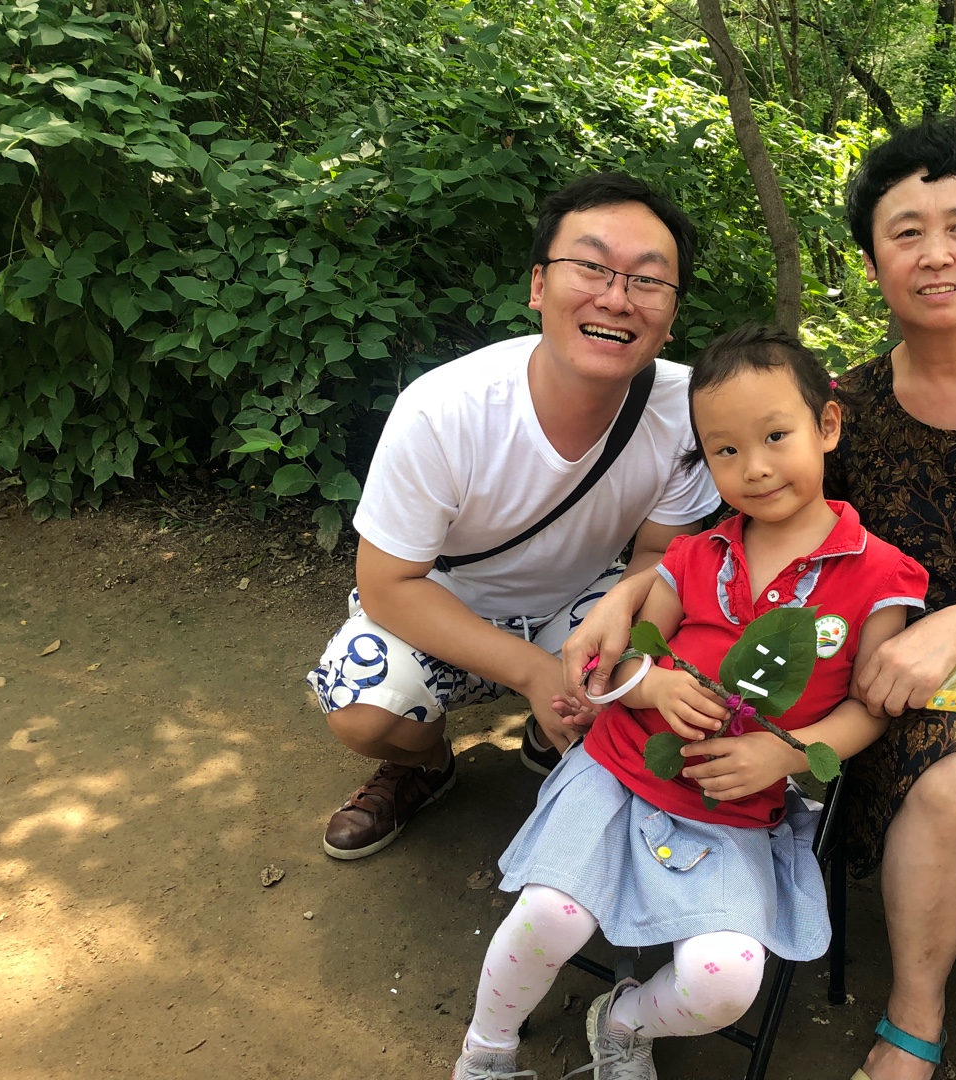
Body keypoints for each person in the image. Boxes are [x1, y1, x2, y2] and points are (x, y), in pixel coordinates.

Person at [562, 119, 956, 1080]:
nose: (935, 253)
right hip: (889, 677)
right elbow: (738, 526)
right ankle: (915, 1021)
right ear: (873, 260)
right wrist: (630, 595)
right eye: (906, 232)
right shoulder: (847, 405)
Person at [450, 324, 929, 1080]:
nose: (754, 467)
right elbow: (623, 658)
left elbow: (870, 707)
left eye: (776, 436)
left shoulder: (880, 576)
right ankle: (486, 1049)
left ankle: (623, 1021)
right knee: (549, 915)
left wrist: (785, 754)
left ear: (827, 426)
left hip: (730, 808)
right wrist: (654, 685)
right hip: (619, 770)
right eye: (725, 450)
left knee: (725, 982)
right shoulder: (696, 554)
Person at [306, 172, 721, 861]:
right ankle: (422, 764)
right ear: (538, 285)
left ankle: (556, 726)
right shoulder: (444, 410)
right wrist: (532, 672)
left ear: (672, 312)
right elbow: (386, 585)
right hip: (445, 605)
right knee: (362, 709)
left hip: (581, 604)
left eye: (648, 280)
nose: (616, 298)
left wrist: (608, 652)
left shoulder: (685, 410)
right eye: (590, 267)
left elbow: (659, 558)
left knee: (672, 656)